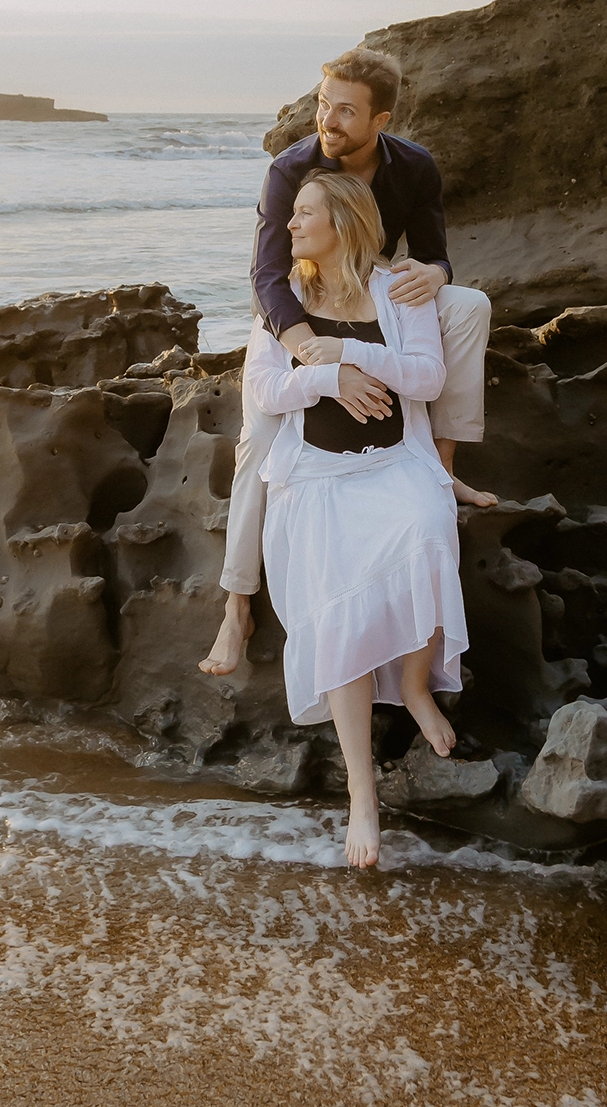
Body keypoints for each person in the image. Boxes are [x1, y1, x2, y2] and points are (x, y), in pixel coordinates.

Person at [200, 45, 494, 679]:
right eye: (322, 104)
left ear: (380, 120)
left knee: (468, 306)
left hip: (375, 293)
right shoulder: (290, 170)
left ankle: (443, 466)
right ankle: (236, 605)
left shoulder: (414, 168)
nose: (326, 121)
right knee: (258, 443)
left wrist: (434, 275)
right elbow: (267, 273)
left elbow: (437, 253)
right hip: (301, 302)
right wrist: (308, 350)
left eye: (344, 112)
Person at [244, 168, 467, 868]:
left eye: (304, 213)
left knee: (429, 531)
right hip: (321, 479)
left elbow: (426, 378)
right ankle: (362, 798)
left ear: (340, 221)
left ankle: (413, 682)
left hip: (396, 465)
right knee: (337, 606)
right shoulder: (286, 302)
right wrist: (326, 376)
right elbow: (266, 388)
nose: (290, 224)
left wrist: (351, 350)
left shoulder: (397, 290)